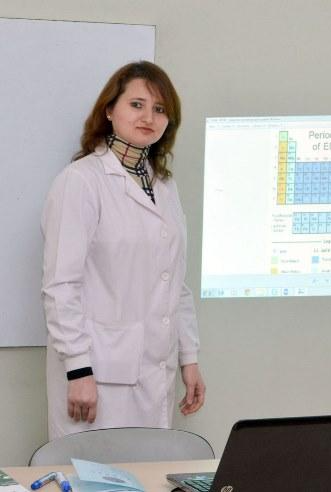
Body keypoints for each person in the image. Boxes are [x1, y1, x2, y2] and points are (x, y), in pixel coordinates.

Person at [41, 61, 206, 440]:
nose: (148, 117)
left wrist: (189, 358)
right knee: (94, 467)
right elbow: (61, 286)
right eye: (136, 104)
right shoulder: (81, 181)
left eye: (160, 109)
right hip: (97, 371)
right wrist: (78, 369)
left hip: (156, 368)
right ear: (109, 110)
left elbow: (175, 283)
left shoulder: (164, 186)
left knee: (149, 464)